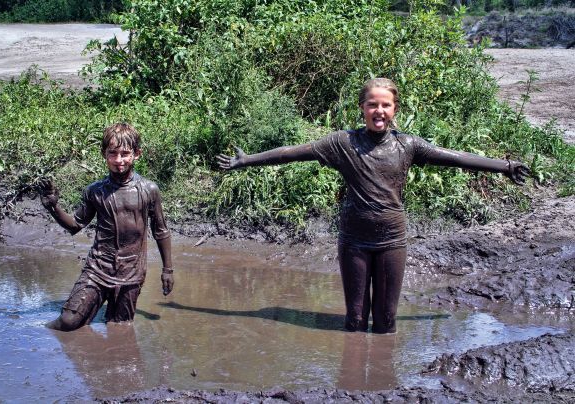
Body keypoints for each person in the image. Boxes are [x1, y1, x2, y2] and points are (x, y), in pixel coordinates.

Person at [217, 78, 530, 334]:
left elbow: (454, 158)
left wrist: (504, 166)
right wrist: (246, 161)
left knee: (386, 322)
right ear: (362, 108)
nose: (379, 110)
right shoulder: (342, 143)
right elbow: (292, 153)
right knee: (354, 320)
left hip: (392, 239)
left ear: (395, 109)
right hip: (354, 240)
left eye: (385, 105)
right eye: (372, 105)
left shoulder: (408, 145)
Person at [38, 122, 174, 331]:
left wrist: (168, 270)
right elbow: (75, 225)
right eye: (113, 153)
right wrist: (53, 207)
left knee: (120, 327)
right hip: (98, 268)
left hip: (132, 272)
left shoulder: (149, 190)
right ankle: (38, 329)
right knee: (68, 321)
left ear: (137, 154)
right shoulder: (95, 191)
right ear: (104, 154)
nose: (119, 160)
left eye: (125, 153)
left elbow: (161, 231)